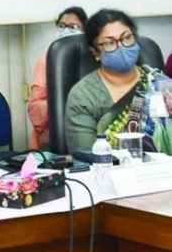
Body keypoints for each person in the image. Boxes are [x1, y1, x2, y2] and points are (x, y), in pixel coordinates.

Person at [65, 9, 171, 153]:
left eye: (127, 38)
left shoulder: (159, 84)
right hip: (109, 172)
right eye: (109, 43)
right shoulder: (83, 95)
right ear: (96, 52)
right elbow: (85, 155)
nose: (121, 46)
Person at [27, 7, 88, 149]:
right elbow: (35, 106)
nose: (65, 30)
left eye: (73, 27)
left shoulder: (94, 59)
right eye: (61, 26)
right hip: (53, 132)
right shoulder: (46, 60)